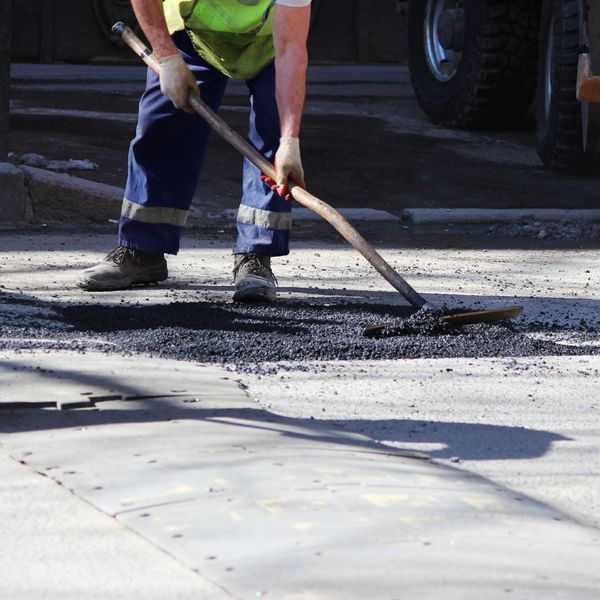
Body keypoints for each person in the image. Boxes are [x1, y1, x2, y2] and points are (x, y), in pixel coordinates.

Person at [78, 0, 311, 302]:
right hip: (194, 35)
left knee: (273, 135)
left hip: (267, 45)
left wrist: (289, 141)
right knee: (162, 124)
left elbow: (292, 47)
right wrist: (167, 57)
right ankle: (142, 249)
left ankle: (256, 257)